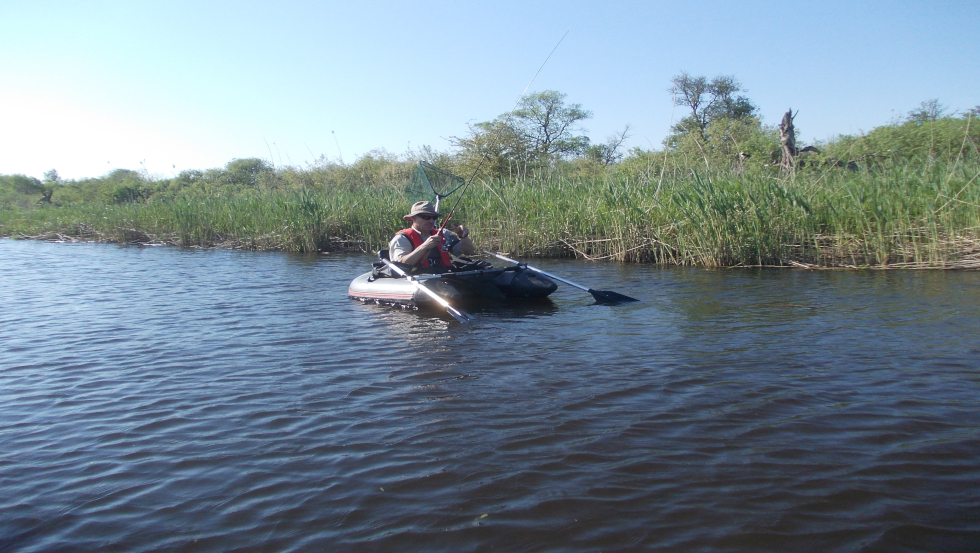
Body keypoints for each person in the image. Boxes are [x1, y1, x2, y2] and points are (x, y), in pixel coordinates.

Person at [389, 201, 474, 272]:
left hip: (445, 277)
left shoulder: (444, 234)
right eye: (426, 217)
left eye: (434, 217)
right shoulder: (402, 238)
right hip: (420, 280)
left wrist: (463, 236)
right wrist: (425, 246)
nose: (431, 221)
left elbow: (468, 252)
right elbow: (400, 266)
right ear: (414, 218)